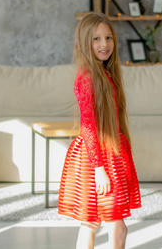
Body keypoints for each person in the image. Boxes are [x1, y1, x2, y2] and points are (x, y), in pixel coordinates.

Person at [58, 12, 141, 249]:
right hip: (96, 159)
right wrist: (99, 170)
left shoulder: (105, 74)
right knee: (115, 226)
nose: (104, 44)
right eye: (96, 39)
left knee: (91, 224)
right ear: (85, 43)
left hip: (108, 153)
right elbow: (88, 126)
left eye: (108, 38)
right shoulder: (87, 78)